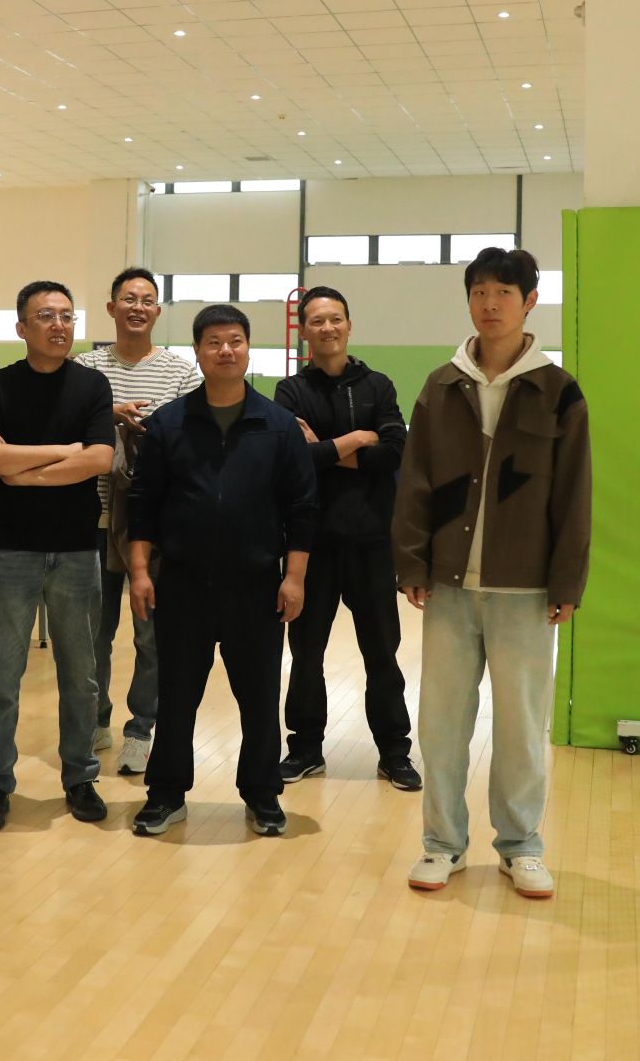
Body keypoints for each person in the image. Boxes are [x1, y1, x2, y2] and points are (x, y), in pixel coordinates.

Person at [393, 247, 591, 899]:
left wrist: (567, 581)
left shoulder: (558, 391)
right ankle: (441, 844)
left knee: (522, 727)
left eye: (504, 292)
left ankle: (521, 846)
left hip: (524, 589)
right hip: (450, 587)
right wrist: (412, 560)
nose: (489, 303)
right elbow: (415, 480)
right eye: (479, 291)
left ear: (529, 301)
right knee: (442, 725)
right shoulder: (441, 385)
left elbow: (574, 493)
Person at [126, 306, 317, 840]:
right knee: (176, 694)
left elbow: (302, 508)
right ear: (198, 352)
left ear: (247, 348)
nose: (225, 350)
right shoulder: (169, 423)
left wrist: (294, 577)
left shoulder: (277, 425)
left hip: (255, 586)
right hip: (182, 583)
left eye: (235, 340)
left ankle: (262, 795)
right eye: (214, 342)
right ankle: (166, 794)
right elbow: (143, 503)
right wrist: (140, 571)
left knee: (258, 697)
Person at [0, 281, 115, 833]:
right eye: (46, 315)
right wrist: (63, 450)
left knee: (82, 677)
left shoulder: (92, 384)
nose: (58, 325)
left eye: (67, 316)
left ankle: (80, 777)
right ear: (21, 327)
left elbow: (100, 459)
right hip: (13, 550)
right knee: (2, 676)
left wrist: (20, 471)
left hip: (77, 549)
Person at [272, 287, 419, 791]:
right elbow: (295, 458)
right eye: (317, 321)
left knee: (382, 654)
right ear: (304, 331)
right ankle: (305, 749)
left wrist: (328, 449)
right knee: (305, 653)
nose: (327, 328)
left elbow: (394, 452)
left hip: (372, 543)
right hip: (310, 545)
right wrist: (358, 439)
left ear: (349, 326)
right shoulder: (291, 391)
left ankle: (394, 753)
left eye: (335, 319)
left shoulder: (378, 385)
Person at [74, 268, 199, 776]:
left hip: (153, 525)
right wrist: (106, 415)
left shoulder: (180, 373)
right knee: (92, 635)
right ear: (111, 308)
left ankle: (140, 730)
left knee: (151, 637)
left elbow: (192, 440)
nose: (137, 307)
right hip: (92, 520)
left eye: (147, 300)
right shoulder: (85, 368)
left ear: (157, 311)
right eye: (128, 299)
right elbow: (65, 422)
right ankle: (95, 719)